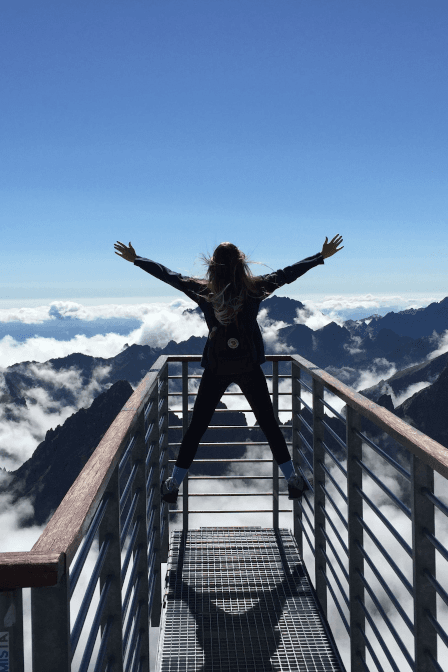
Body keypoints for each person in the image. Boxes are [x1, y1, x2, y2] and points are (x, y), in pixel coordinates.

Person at [114, 235, 344, 503]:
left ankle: (174, 483)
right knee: (269, 424)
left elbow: (170, 276)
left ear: (212, 266)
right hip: (248, 366)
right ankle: (292, 478)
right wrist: (320, 256)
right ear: (242, 263)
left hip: (217, 366)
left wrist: (137, 259)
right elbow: (288, 274)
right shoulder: (255, 288)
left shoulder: (204, 291)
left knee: (197, 426)